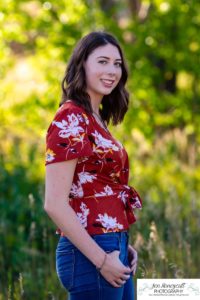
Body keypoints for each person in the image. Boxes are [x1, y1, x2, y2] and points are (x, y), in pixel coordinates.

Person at [44, 31, 142, 300]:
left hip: (112, 246)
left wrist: (121, 240)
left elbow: (96, 189)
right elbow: (54, 203)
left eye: (117, 63)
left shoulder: (95, 119)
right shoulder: (71, 119)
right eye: (102, 61)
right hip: (92, 256)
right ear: (82, 64)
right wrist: (102, 259)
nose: (112, 70)